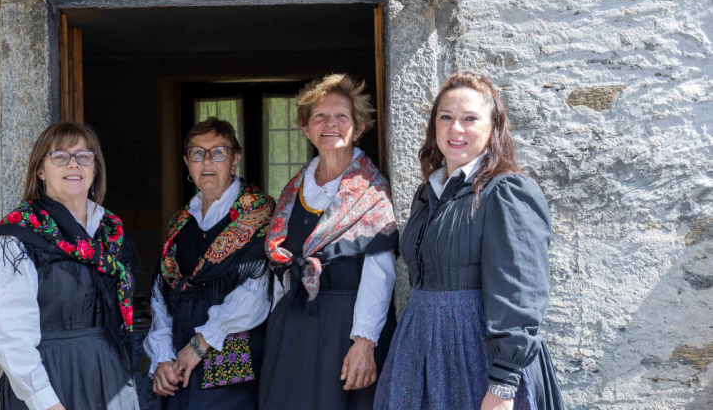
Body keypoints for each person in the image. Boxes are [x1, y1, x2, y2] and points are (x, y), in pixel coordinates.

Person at [373, 72, 565, 410]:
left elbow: (520, 288)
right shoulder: (427, 192)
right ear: (434, 127)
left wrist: (505, 382)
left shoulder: (506, 191)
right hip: (419, 345)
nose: (455, 128)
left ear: (493, 127)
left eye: (469, 119)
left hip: (476, 353)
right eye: (445, 117)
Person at [260, 74, 399, 410]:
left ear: (358, 127)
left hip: (347, 331)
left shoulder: (372, 192)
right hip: (292, 329)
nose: (330, 124)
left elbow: (380, 274)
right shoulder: (291, 193)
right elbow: (280, 268)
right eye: (319, 116)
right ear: (306, 129)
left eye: (342, 116)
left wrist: (364, 344)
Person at [0, 122, 141, 410]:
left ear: (95, 169)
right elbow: (9, 333)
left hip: (108, 374)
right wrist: (45, 401)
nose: (74, 164)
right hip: (51, 378)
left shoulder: (111, 231)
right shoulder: (18, 235)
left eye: (83, 156)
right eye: (60, 156)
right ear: (40, 170)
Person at [145, 117, 276, 410]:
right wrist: (163, 357)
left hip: (233, 363)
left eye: (218, 152)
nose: (207, 161)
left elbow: (256, 297)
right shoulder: (180, 223)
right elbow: (162, 295)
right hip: (180, 365)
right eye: (197, 152)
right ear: (187, 163)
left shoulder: (259, 214)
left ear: (235, 160)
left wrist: (201, 343)